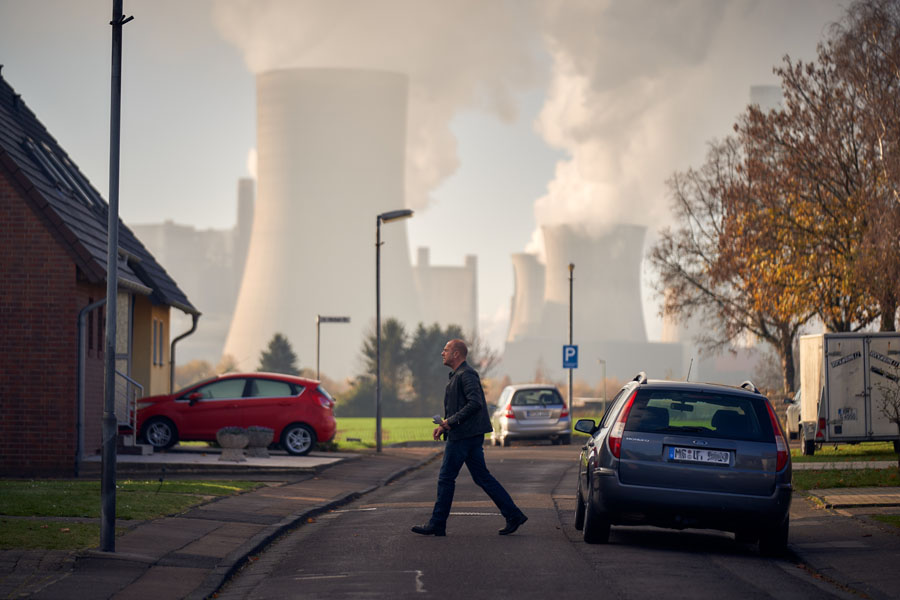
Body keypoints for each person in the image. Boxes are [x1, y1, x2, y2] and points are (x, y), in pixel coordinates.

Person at [411, 339, 528, 537]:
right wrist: (445, 424)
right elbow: (464, 405)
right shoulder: (460, 375)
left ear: (456, 354)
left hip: (463, 436)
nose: (442, 353)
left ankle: (437, 523)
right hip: (467, 434)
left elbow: (475, 403)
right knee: (482, 477)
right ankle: (513, 515)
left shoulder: (467, 375)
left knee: (446, 478)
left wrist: (451, 422)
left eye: (446, 350)